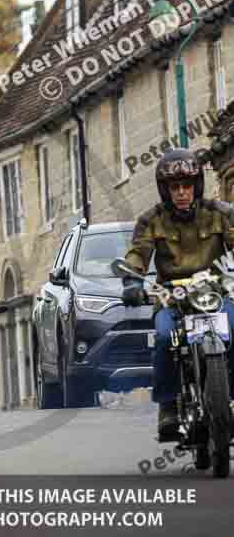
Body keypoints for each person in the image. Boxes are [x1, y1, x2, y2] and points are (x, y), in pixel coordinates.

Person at [123, 148, 234, 440]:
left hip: (215, 292)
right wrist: (132, 283)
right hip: (171, 297)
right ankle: (168, 405)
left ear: (196, 186)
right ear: (166, 190)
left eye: (186, 185)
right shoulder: (151, 221)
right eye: (175, 187)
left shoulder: (221, 213)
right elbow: (137, 254)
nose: (182, 192)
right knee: (162, 338)